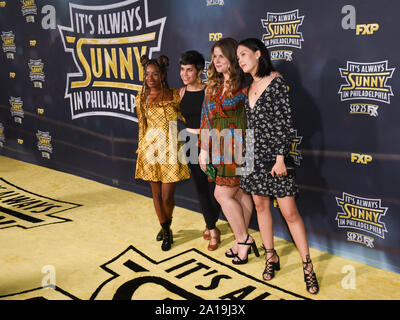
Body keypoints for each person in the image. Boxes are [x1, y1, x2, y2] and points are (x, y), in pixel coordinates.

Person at [236, 38, 319, 294]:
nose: (240, 60)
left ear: (258, 54)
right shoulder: (248, 87)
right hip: (253, 156)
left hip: (275, 158)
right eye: (237, 56)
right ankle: (270, 256)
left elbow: (285, 121)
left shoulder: (276, 82)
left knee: (289, 212)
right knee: (261, 207)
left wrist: (281, 157)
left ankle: (308, 266)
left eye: (244, 54)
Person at [198, 38, 258, 264]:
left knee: (221, 194)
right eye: (214, 56)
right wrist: (204, 150)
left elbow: (254, 117)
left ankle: (243, 239)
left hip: (239, 144)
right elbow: (206, 119)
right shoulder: (212, 85)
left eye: (221, 56)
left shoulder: (245, 84)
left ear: (232, 57)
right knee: (240, 194)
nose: (217, 60)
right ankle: (238, 241)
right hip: (219, 144)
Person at [135, 54, 190, 251]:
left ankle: (166, 221)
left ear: (163, 75)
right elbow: (142, 126)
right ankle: (166, 230)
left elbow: (188, 117)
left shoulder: (175, 95)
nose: (150, 78)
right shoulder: (141, 98)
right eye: (147, 74)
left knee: (167, 196)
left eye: (155, 74)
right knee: (156, 195)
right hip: (151, 150)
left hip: (171, 150)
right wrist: (141, 147)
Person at [178, 50, 222, 251]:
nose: (184, 74)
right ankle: (213, 229)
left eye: (189, 70)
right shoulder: (180, 93)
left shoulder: (209, 91)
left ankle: (210, 220)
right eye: (182, 69)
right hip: (189, 141)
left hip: (210, 142)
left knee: (216, 189)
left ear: (199, 71)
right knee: (200, 188)